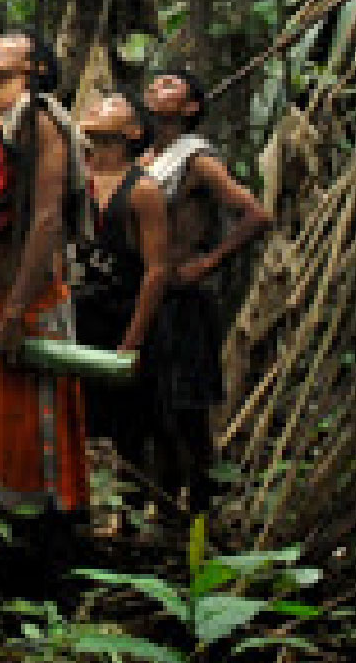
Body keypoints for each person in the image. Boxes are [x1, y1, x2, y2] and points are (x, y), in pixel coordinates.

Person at [0, 30, 92, 586]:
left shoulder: (41, 120)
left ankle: (48, 569)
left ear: (34, 66)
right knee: (0, 437)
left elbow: (46, 219)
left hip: (27, 303)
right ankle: (9, 560)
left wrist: (16, 311)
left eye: (4, 50)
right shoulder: (5, 124)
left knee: (37, 439)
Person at [140, 70, 272, 517]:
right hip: (147, 297)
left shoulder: (196, 159)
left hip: (183, 301)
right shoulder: (143, 159)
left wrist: (208, 262)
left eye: (172, 83)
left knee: (187, 411)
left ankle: (198, 513)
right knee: (153, 410)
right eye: (156, 82)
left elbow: (254, 214)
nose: (159, 85)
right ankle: (158, 507)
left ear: (192, 107)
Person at [71, 91, 171, 511]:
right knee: (77, 420)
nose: (95, 108)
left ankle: (137, 517)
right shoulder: (73, 182)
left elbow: (156, 270)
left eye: (110, 105)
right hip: (78, 317)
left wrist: (131, 342)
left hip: (123, 317)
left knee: (132, 427)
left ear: (133, 131)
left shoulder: (143, 190)